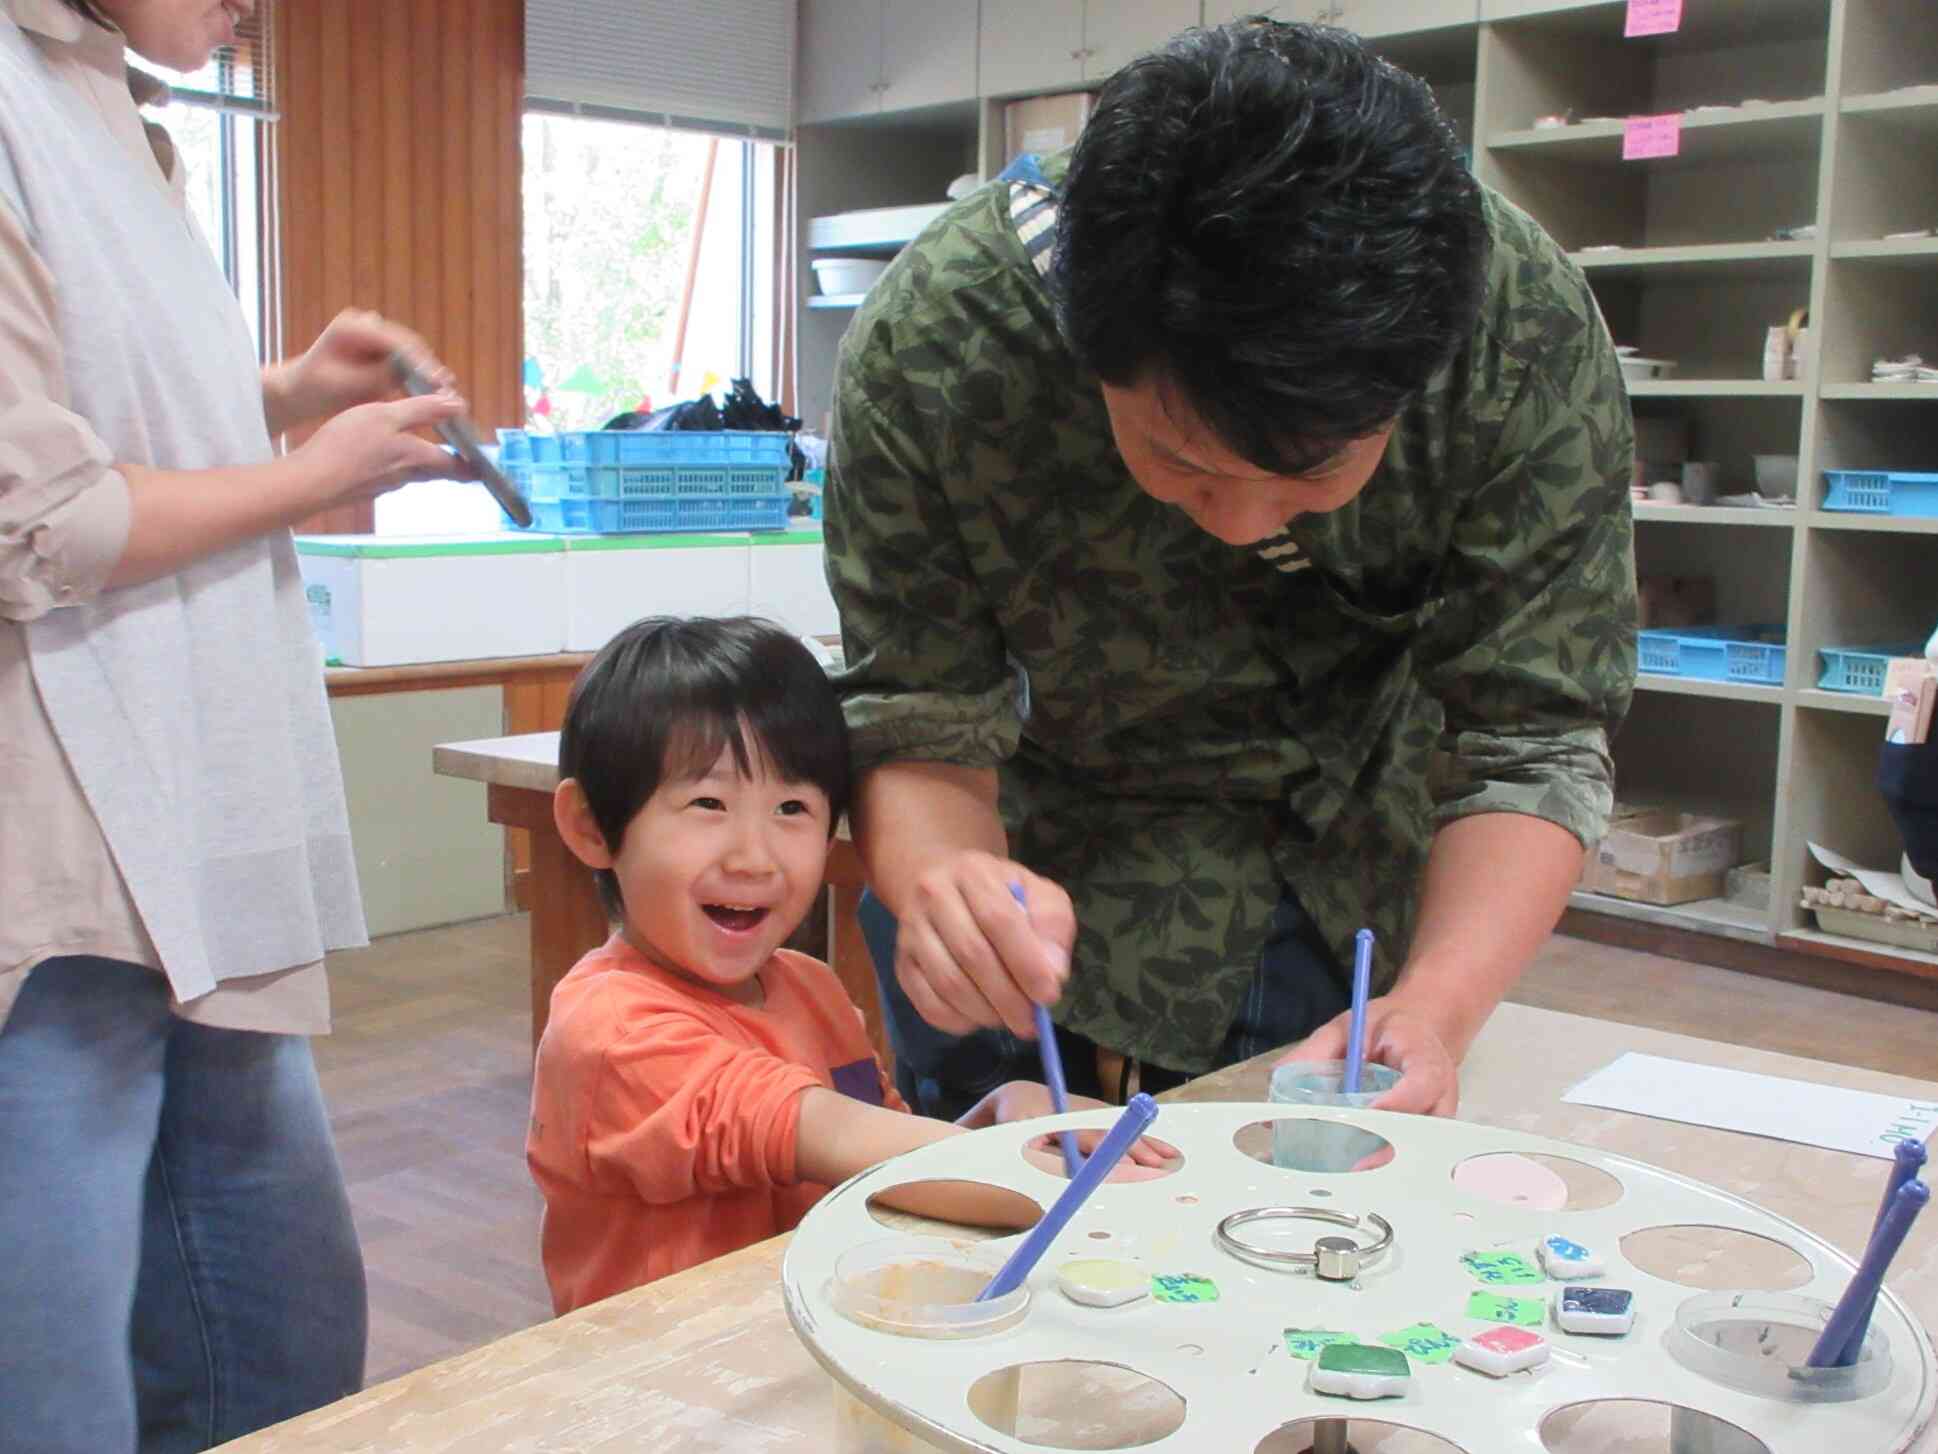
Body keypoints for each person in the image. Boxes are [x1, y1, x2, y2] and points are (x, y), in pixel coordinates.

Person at [824, 18, 1638, 1122]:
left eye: (1313, 473)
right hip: (1047, 899)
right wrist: (944, 881)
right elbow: (913, 706)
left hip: (1364, 900)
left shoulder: (1517, 331)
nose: (1240, 517)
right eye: (1178, 459)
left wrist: (1436, 1005)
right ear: (1085, 341)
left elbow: (1534, 730)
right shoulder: (941, 342)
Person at [0, 1, 481, 1448]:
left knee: (278, 1331)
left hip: (187, 837)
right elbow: (40, 519)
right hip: (66, 869)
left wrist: (274, 394)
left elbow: (88, 418)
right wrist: (311, 470)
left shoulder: (92, 95)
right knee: (62, 1387)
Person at [528, 616, 1171, 1315]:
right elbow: (831, 1138)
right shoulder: (610, 1030)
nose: (754, 855)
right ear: (593, 827)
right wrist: (1068, 1181)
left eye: (792, 808)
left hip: (807, 1339)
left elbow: (885, 1163)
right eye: (708, 803)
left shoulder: (812, 987)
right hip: (660, 1384)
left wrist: (1001, 1118)